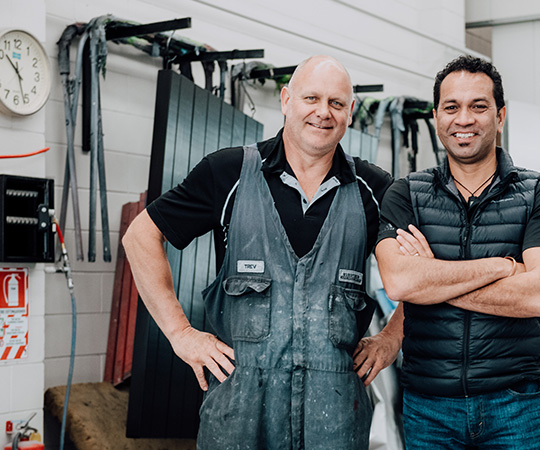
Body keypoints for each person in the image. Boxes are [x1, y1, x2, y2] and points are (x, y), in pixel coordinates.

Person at [123, 55, 393, 450]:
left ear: (350, 112)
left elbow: (426, 269)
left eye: (336, 103)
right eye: (311, 98)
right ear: (286, 100)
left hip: (334, 422)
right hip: (239, 419)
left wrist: (391, 338)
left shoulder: (374, 189)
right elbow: (140, 237)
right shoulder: (228, 173)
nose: (323, 112)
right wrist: (180, 334)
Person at [352, 55, 540, 449]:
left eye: (478, 106)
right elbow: (401, 281)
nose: (464, 119)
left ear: (500, 116)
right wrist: (502, 266)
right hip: (429, 408)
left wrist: (433, 275)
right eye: (452, 107)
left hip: (518, 406)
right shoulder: (407, 195)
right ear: (437, 116)